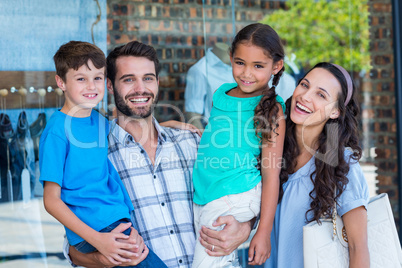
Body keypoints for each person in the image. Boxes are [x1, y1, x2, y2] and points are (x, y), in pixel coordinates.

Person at [63, 40, 254, 268]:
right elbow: (73, 249)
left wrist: (245, 227)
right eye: (128, 79)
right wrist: (103, 259)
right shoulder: (95, 157)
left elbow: (241, 190)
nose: (140, 88)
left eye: (148, 78)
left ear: (158, 83)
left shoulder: (192, 142)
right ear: (110, 86)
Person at [39, 41, 168, 267]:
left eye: (97, 78)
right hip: (96, 228)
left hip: (115, 219)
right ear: (61, 82)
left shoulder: (98, 121)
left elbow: (135, 124)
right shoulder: (57, 131)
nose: (91, 86)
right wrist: (97, 239)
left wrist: (171, 125)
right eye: (81, 79)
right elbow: (51, 201)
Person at [192, 23, 286, 267]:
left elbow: (271, 173)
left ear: (276, 66)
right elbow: (223, 137)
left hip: (237, 192)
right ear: (231, 58)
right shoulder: (221, 93)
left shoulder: (272, 109)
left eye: (258, 66)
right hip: (207, 191)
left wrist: (263, 232)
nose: (247, 73)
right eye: (240, 62)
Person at [264, 62, 370, 268]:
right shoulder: (274, 149)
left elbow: (359, 248)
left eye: (321, 95)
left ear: (335, 112)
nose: (305, 96)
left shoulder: (340, 162)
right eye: (304, 85)